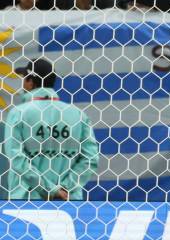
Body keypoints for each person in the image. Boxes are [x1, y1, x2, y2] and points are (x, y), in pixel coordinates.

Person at [4, 59, 99, 201]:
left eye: (24, 78)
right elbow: (91, 159)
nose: (22, 83)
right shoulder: (79, 115)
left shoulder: (18, 113)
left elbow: (17, 159)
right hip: (69, 202)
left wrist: (51, 190)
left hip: (27, 202)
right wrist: (65, 188)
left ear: (30, 82)